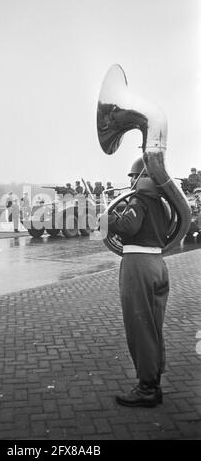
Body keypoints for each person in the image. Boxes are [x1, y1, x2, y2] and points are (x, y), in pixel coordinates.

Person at [108, 157, 170, 407]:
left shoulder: (139, 198)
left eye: (132, 177)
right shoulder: (162, 203)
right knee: (153, 326)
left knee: (139, 326)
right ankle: (153, 382)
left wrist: (107, 218)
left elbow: (128, 227)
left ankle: (146, 389)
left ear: (139, 177)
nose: (130, 182)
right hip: (157, 263)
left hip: (138, 265)